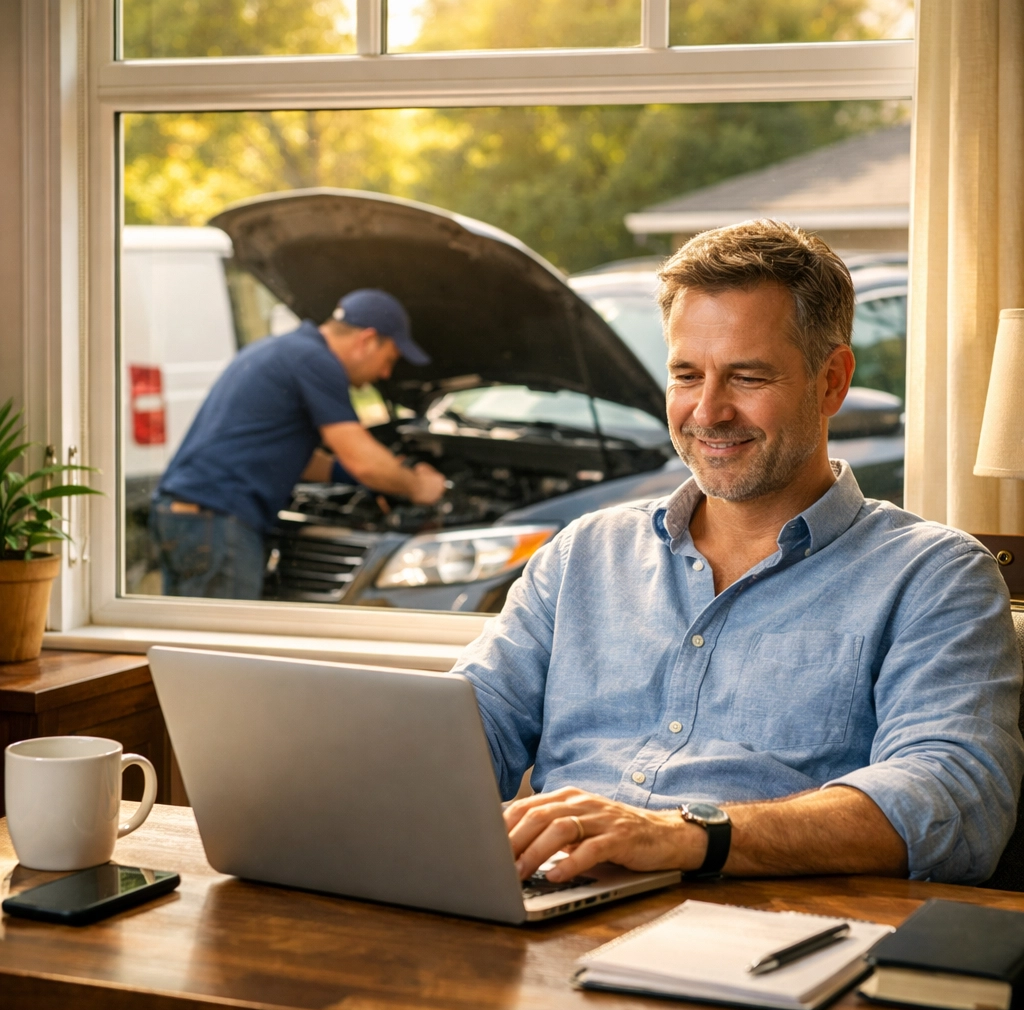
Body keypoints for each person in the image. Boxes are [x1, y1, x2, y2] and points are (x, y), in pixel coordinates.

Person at [453, 220, 1024, 887]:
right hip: (548, 911)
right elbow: (460, 733)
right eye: (687, 375)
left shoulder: (934, 576)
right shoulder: (584, 553)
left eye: (747, 377)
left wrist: (682, 836)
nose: (708, 411)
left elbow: (953, 802)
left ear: (833, 381)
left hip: (766, 938)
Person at [151, 288, 447, 599]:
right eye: (390, 360)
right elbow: (363, 459)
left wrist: (357, 479)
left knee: (190, 636)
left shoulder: (283, 349)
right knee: (219, 641)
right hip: (217, 522)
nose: (386, 373)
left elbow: (298, 457)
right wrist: (417, 487)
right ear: (367, 340)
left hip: (185, 515)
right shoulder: (316, 361)